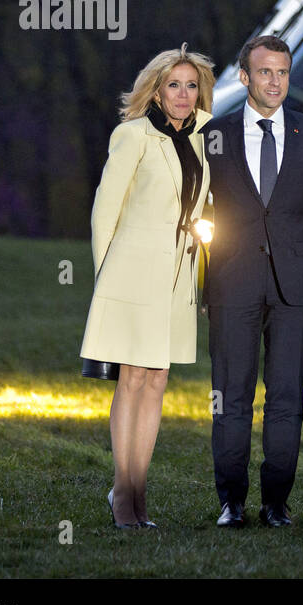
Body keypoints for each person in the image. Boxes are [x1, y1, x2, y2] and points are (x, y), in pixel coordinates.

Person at [201, 35, 303, 528]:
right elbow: (194, 208)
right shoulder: (215, 135)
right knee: (231, 397)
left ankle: (276, 503)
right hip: (231, 283)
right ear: (245, 78)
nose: (276, 82)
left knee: (287, 398)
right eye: (265, 73)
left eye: (282, 72)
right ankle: (231, 502)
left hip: (296, 289)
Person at [80, 44, 215, 529]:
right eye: (174, 85)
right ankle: (123, 491)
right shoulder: (132, 135)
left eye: (191, 85)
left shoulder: (203, 138)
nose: (183, 94)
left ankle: (138, 490)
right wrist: (105, 282)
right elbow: (104, 211)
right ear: (156, 90)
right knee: (133, 378)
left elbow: (204, 210)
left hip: (178, 278)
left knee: (157, 380)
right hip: (132, 275)